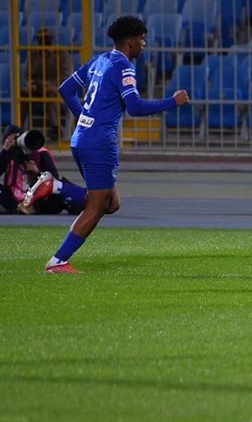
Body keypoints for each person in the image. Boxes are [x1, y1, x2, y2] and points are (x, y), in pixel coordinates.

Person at [43, 16, 190, 273]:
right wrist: (172, 102)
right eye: (142, 39)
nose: (144, 44)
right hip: (100, 142)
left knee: (110, 203)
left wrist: (84, 117)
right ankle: (58, 259)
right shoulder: (124, 67)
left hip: (81, 138)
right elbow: (135, 107)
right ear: (131, 41)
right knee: (97, 205)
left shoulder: (99, 60)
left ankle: (57, 190)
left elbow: (66, 89)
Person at [5, 127, 87, 215]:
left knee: (58, 190)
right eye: (11, 139)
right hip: (13, 196)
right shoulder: (8, 153)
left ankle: (85, 204)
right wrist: (4, 152)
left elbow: (54, 177)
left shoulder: (41, 153)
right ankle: (20, 207)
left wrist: (37, 171)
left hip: (40, 197)